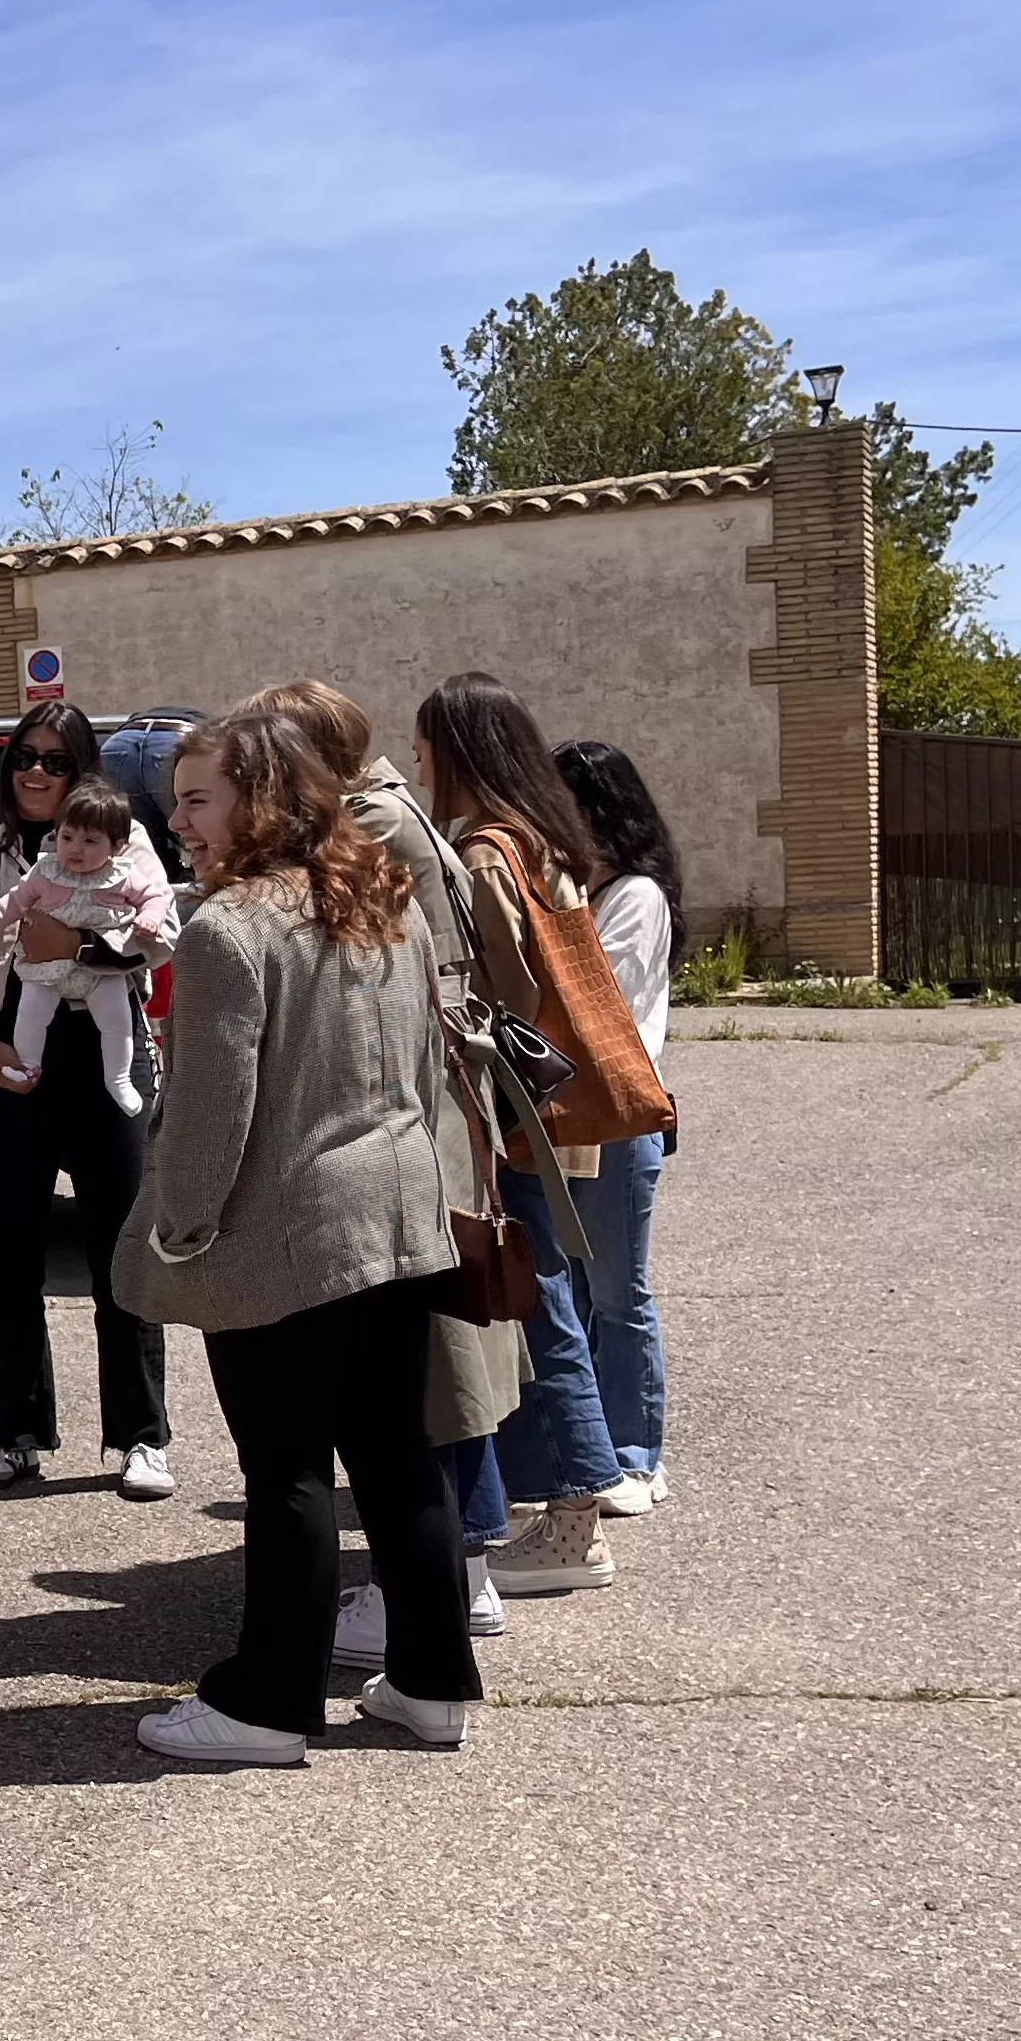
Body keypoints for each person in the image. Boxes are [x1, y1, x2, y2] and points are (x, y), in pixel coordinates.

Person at [115, 708, 478, 1767]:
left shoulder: (231, 929)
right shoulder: (384, 901)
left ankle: (267, 1705)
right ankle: (431, 1681)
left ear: (260, 800)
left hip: (292, 1230)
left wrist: (179, 1232)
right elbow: (422, 1068)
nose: (175, 819)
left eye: (197, 799)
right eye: (174, 798)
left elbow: (208, 1116)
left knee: (286, 1471)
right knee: (397, 1457)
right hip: (400, 1209)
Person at [238, 681, 523, 1653]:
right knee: (425, 1374)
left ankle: (462, 1570)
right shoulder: (390, 815)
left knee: (433, 1375)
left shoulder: (373, 827)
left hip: (412, 1110)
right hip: (422, 1106)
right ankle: (449, 1574)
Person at [0, 699, 175, 1500]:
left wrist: (78, 944)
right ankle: (17, 1431)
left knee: (121, 1254)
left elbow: (159, 938)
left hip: (104, 1051)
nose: (36, 772)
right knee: (12, 1259)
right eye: (24, 758)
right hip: (14, 1052)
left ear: (82, 771)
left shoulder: (127, 843)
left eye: (56, 761)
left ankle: (141, 1436)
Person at [414, 673, 623, 1599]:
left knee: (542, 1304)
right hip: (558, 1106)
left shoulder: (490, 852)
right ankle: (568, 1500)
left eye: (426, 749)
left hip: (519, 1111)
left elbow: (509, 996)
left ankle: (577, 1514)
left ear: (460, 753)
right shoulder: (547, 838)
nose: (418, 765)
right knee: (553, 1294)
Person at [555, 738, 681, 1517]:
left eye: (564, 807)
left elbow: (590, 998)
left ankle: (638, 1457)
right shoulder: (577, 893)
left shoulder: (633, 896)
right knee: (567, 1292)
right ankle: (588, 1450)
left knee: (616, 1294)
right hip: (563, 1117)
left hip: (617, 1117)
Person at [0, 777, 171, 1113]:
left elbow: (155, 896)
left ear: (115, 847)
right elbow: (14, 902)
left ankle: (119, 1078)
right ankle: (28, 1064)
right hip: (47, 968)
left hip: (101, 967)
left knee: (116, 1021)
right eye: (67, 837)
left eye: (89, 841)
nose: (75, 849)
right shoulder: (45, 872)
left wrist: (151, 919)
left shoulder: (122, 874)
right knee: (31, 1014)